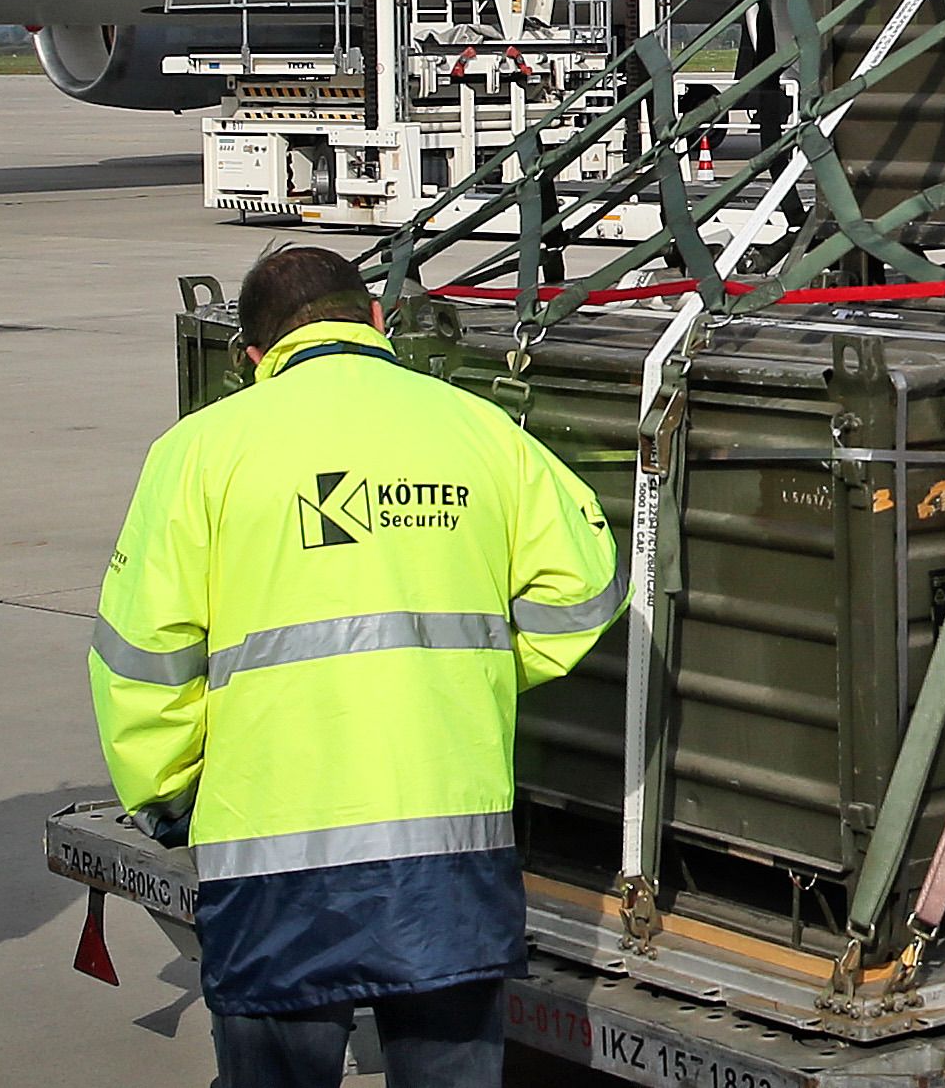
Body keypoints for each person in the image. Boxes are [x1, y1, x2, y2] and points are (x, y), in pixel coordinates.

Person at [93, 246, 621, 1088]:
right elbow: (587, 587)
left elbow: (142, 656)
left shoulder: (198, 452)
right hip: (447, 847)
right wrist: (478, 674)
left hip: (270, 852)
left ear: (254, 354)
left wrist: (165, 795)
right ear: (376, 321)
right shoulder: (479, 428)